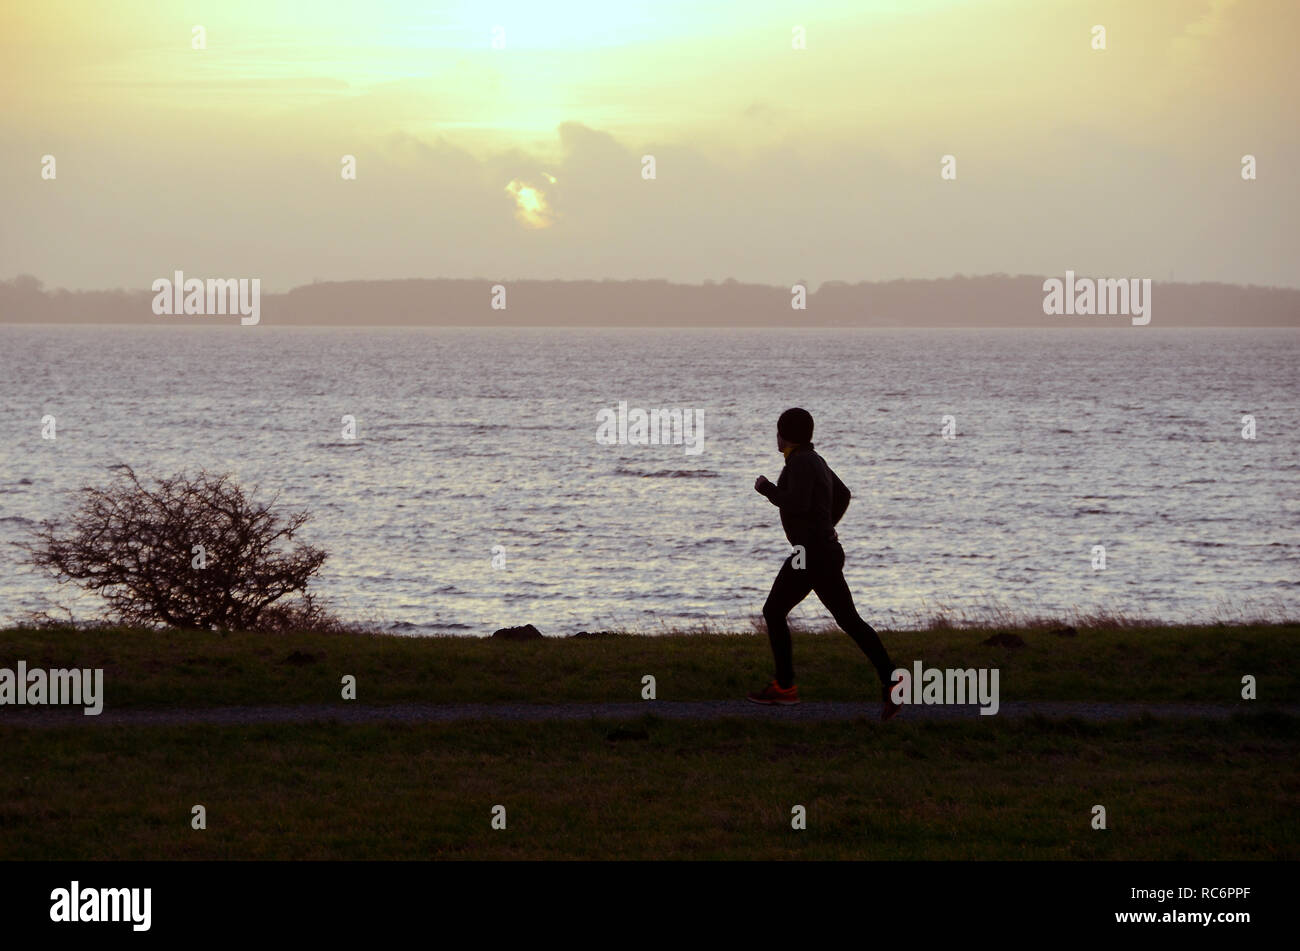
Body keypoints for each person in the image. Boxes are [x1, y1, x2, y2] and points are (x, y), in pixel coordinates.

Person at [750, 407, 901, 721]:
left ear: (784, 435)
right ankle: (892, 682)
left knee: (775, 611)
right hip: (819, 551)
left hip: (812, 554)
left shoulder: (801, 463)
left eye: (777, 432)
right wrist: (826, 525)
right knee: (848, 620)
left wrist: (767, 489)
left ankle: (785, 687)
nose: (775, 437)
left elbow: (798, 503)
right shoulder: (813, 459)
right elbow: (843, 495)